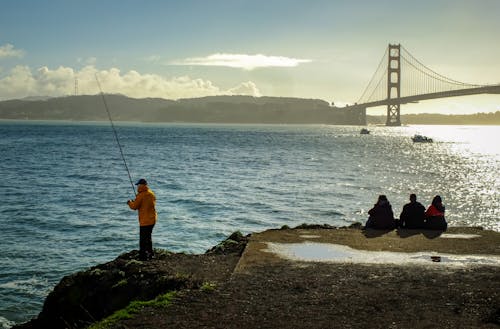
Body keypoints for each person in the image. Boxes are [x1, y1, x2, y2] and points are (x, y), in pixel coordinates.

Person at [127, 178, 157, 260]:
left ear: (141, 185)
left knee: (143, 240)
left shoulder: (141, 195)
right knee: (148, 237)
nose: (137, 187)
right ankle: (150, 254)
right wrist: (138, 199)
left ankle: (143, 257)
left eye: (138, 185)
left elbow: (134, 207)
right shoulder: (151, 193)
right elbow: (147, 204)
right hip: (152, 219)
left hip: (145, 221)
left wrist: (130, 202)